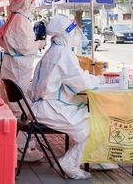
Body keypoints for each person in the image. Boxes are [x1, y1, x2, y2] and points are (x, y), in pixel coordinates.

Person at [28, 14, 115, 179]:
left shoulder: (52, 51)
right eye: (74, 31)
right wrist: (101, 79)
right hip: (49, 108)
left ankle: (92, 157)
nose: (76, 34)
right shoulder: (63, 54)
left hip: (41, 106)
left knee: (88, 119)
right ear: (66, 33)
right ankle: (70, 163)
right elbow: (81, 82)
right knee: (93, 124)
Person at [0, 0, 46, 162]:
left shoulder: (16, 17)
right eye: (32, 0)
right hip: (19, 66)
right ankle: (19, 147)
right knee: (17, 107)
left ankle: (20, 143)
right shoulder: (19, 19)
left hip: (13, 64)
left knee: (15, 105)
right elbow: (25, 47)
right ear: (26, 1)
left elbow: (1, 38)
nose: (33, 3)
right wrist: (40, 42)